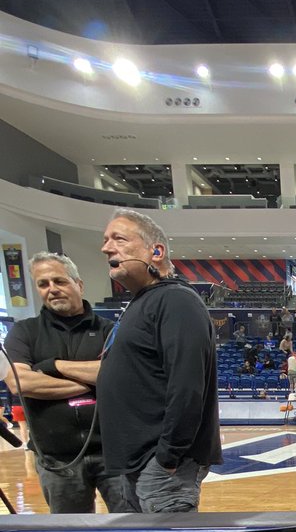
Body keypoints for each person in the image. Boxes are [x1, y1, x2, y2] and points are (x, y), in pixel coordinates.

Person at [97, 209, 221, 514]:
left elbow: (188, 386)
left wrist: (167, 458)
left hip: (163, 468)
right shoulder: (143, 302)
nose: (106, 247)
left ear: (156, 251)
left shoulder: (176, 301)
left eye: (119, 239)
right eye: (105, 240)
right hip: (139, 462)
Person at [4, 252, 127, 513]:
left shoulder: (110, 330)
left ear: (78, 284)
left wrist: (52, 366)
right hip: (56, 458)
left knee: (130, 530)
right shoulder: (24, 332)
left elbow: (120, 375)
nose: (52, 289)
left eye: (59, 281)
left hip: (114, 454)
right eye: (43, 283)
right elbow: (19, 382)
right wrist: (94, 381)